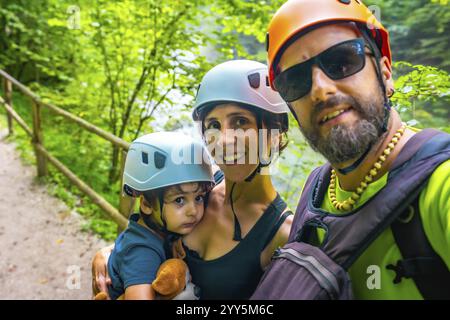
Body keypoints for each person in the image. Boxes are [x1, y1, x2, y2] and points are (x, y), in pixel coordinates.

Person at [264, 0, 450, 299]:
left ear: (386, 73)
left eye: (342, 61)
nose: (321, 90)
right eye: (295, 80)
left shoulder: (442, 184)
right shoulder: (317, 189)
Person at [92, 60, 294, 300]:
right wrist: (107, 254)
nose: (223, 141)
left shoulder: (281, 233)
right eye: (213, 125)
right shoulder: (200, 187)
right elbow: (144, 234)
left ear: (275, 131)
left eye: (240, 121)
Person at [101, 132, 215, 300]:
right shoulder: (142, 252)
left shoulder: (151, 231)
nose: (193, 211)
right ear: (146, 204)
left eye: (198, 198)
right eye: (179, 200)